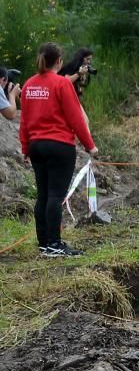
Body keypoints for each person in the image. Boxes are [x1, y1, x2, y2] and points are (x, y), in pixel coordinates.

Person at [19, 42, 98, 257]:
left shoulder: (28, 85)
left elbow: (24, 121)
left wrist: (25, 148)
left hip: (36, 146)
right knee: (55, 195)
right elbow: (76, 119)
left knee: (43, 196)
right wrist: (90, 145)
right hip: (59, 146)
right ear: (60, 62)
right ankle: (54, 245)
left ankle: (44, 243)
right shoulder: (62, 84)